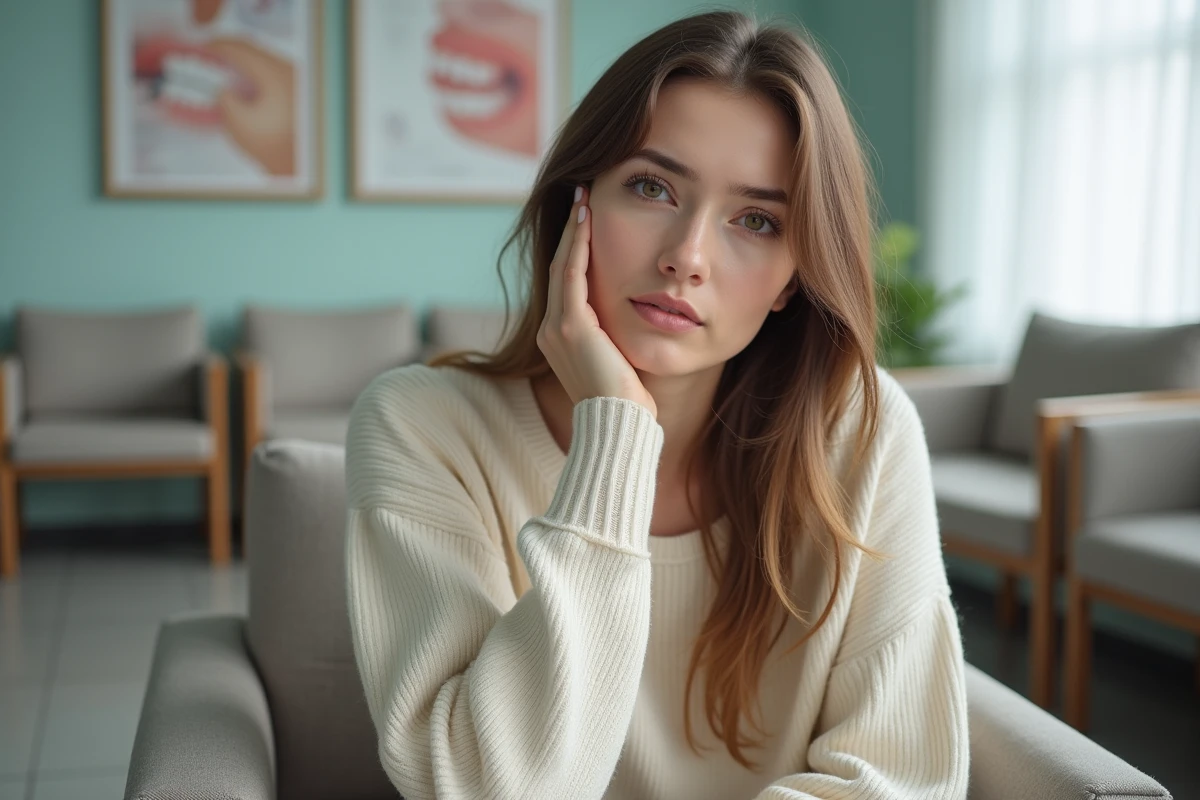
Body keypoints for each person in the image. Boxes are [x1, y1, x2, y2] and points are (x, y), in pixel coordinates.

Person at [344, 10, 969, 800]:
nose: (687, 256)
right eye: (652, 186)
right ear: (579, 205)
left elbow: (898, 779)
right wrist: (617, 435)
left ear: (793, 279)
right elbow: (478, 786)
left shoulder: (860, 431)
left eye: (757, 220)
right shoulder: (422, 426)